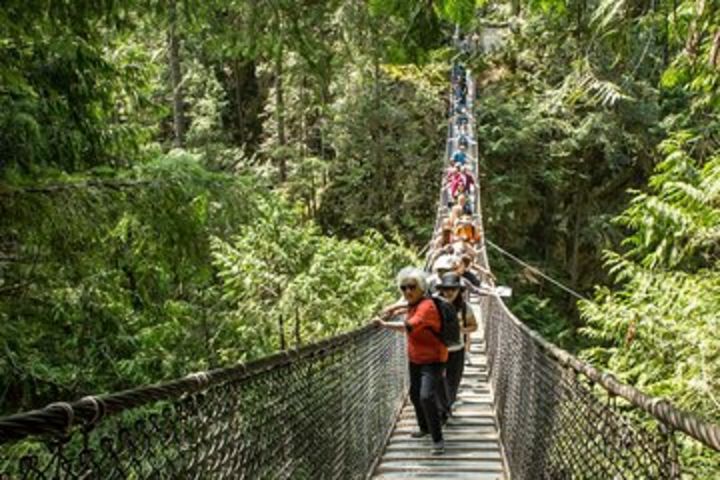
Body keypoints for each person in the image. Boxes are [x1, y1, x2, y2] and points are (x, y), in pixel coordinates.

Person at [377, 267, 447, 455]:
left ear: (422, 288)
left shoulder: (427, 307)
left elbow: (408, 326)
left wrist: (384, 324)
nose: (408, 291)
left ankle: (438, 440)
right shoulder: (414, 303)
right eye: (404, 288)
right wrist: (393, 307)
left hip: (433, 359)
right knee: (415, 395)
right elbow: (406, 306)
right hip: (415, 358)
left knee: (426, 396)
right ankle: (424, 427)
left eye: (412, 287)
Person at [436, 272, 478, 412]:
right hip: (437, 350)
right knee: (437, 382)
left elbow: (474, 326)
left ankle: (445, 408)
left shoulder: (465, 308)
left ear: (459, 290)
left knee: (453, 382)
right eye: (446, 289)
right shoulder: (434, 306)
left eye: (453, 289)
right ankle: (441, 410)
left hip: (457, 350)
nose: (449, 293)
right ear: (441, 290)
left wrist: (461, 329)